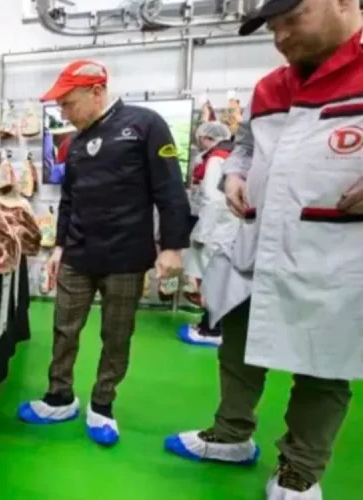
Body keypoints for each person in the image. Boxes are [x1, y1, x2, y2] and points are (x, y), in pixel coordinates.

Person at [165, 1, 363, 498]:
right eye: (273, 27)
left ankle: (300, 469)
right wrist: (234, 172)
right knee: (238, 344)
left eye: (293, 20)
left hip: (334, 250)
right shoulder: (270, 87)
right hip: (257, 244)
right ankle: (231, 434)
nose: (280, 36)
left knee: (323, 364)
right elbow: (247, 146)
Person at [16, 59, 190, 447]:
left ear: (96, 92)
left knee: (117, 336)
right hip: (79, 254)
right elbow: (68, 201)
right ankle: (59, 396)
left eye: (68, 103)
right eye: (60, 106)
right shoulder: (74, 143)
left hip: (126, 258)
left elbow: (169, 189)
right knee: (63, 329)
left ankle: (102, 404)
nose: (64, 112)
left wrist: (173, 247)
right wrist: (59, 246)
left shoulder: (145, 125)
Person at [178, 121, 237, 347]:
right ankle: (210, 326)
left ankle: (212, 330)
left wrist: (201, 234)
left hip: (216, 229)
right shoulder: (228, 155)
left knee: (212, 280)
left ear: (205, 137)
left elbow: (212, 200)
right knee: (218, 279)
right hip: (225, 227)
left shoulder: (215, 159)